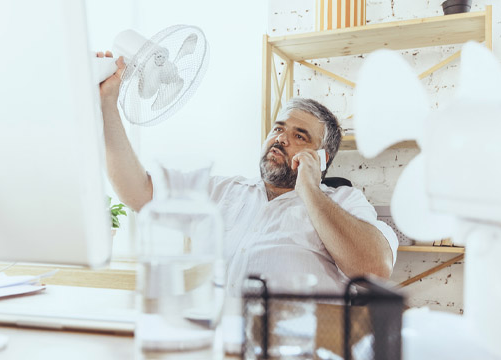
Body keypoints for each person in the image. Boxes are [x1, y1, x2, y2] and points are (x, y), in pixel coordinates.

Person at [97, 52, 398, 295]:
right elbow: (138, 193)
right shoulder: (221, 190)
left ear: (322, 157)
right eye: (278, 128)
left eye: (300, 136)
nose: (281, 138)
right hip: (217, 345)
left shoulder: (344, 202)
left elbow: (375, 268)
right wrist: (107, 101)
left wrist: (310, 190)